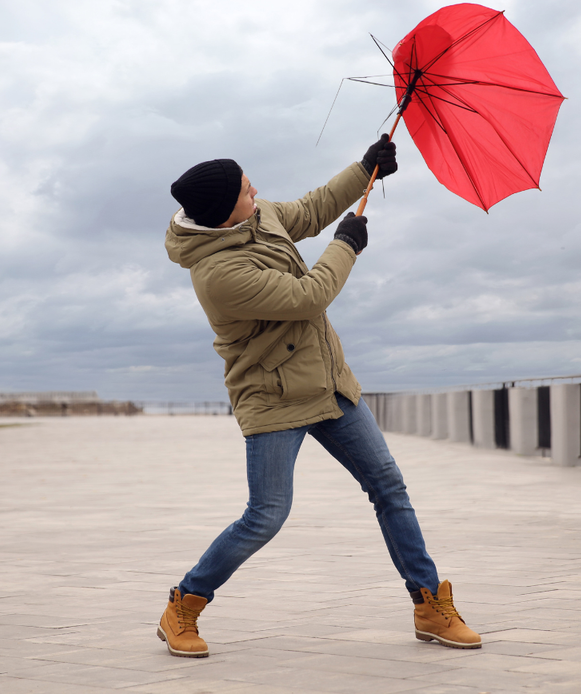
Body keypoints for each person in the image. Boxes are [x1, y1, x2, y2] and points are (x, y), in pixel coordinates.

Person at [160, 135, 481, 658]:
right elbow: (310, 297)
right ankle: (185, 603)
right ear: (222, 216)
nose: (256, 191)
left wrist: (364, 169)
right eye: (246, 190)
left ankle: (428, 605)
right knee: (265, 515)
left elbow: (309, 210)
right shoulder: (219, 275)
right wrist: (347, 244)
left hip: (327, 383)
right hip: (273, 396)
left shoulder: (256, 215)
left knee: (389, 487)